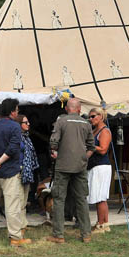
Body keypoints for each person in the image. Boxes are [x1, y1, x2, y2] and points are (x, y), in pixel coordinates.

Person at [0, 98, 31, 246]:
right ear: (12, 111)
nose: (17, 112)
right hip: (10, 172)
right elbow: (13, 148)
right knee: (12, 205)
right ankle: (15, 237)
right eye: (17, 110)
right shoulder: (15, 126)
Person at [47, 98, 95, 243]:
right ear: (79, 109)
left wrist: (55, 153)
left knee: (59, 199)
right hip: (80, 166)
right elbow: (91, 147)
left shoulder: (61, 121)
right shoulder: (86, 123)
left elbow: (53, 142)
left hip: (63, 165)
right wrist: (84, 158)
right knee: (81, 199)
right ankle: (86, 234)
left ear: (67, 109)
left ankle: (58, 235)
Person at [87, 108, 112, 233]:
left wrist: (89, 145)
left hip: (101, 167)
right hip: (94, 166)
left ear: (101, 116)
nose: (90, 119)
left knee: (100, 197)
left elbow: (103, 149)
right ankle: (104, 224)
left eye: (93, 116)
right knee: (99, 197)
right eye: (89, 117)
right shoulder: (93, 131)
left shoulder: (105, 131)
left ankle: (101, 225)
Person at [19, 114, 39, 227]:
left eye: (28, 122)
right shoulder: (16, 137)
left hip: (27, 171)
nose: (28, 124)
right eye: (25, 122)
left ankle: (23, 223)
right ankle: (19, 224)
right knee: (19, 199)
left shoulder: (27, 137)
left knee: (24, 199)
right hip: (19, 171)